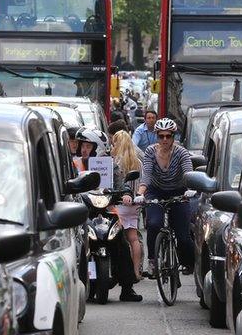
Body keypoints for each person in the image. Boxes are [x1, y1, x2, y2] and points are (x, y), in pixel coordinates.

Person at [76, 128, 142, 302]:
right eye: (82, 145)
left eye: (88, 146)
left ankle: (127, 288)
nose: (84, 149)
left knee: (121, 243)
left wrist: (126, 193)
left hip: (107, 211)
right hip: (83, 212)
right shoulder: (74, 164)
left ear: (96, 147)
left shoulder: (110, 165)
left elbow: (121, 182)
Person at [134, 118, 194, 277]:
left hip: (179, 192)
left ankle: (187, 262)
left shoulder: (181, 152)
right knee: (154, 224)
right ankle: (153, 260)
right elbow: (146, 174)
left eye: (168, 136)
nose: (165, 140)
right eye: (161, 136)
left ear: (174, 137)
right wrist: (140, 193)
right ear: (157, 136)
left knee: (183, 235)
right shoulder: (150, 152)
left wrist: (191, 189)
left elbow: (188, 173)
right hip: (155, 191)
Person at [112, 131, 144, 281]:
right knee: (133, 238)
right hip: (135, 204)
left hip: (121, 204)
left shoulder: (116, 162)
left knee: (119, 240)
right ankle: (136, 272)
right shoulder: (138, 162)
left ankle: (121, 273)